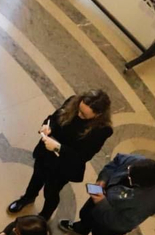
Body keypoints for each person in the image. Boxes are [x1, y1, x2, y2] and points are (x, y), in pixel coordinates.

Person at [7, 90, 113, 221]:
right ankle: (28, 198)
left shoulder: (102, 130)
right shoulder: (73, 101)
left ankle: (44, 216)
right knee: (36, 178)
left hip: (63, 166)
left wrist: (58, 148)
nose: (79, 115)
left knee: (51, 192)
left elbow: (83, 156)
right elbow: (53, 118)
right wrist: (47, 126)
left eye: (84, 115)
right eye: (79, 110)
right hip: (45, 153)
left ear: (98, 115)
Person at [58, 153, 155, 235]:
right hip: (103, 195)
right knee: (87, 214)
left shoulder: (149, 204)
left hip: (110, 224)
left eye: (130, 178)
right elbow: (116, 162)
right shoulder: (137, 161)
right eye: (128, 170)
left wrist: (102, 203)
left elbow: (120, 222)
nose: (126, 176)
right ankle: (81, 228)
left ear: (139, 184)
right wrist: (103, 179)